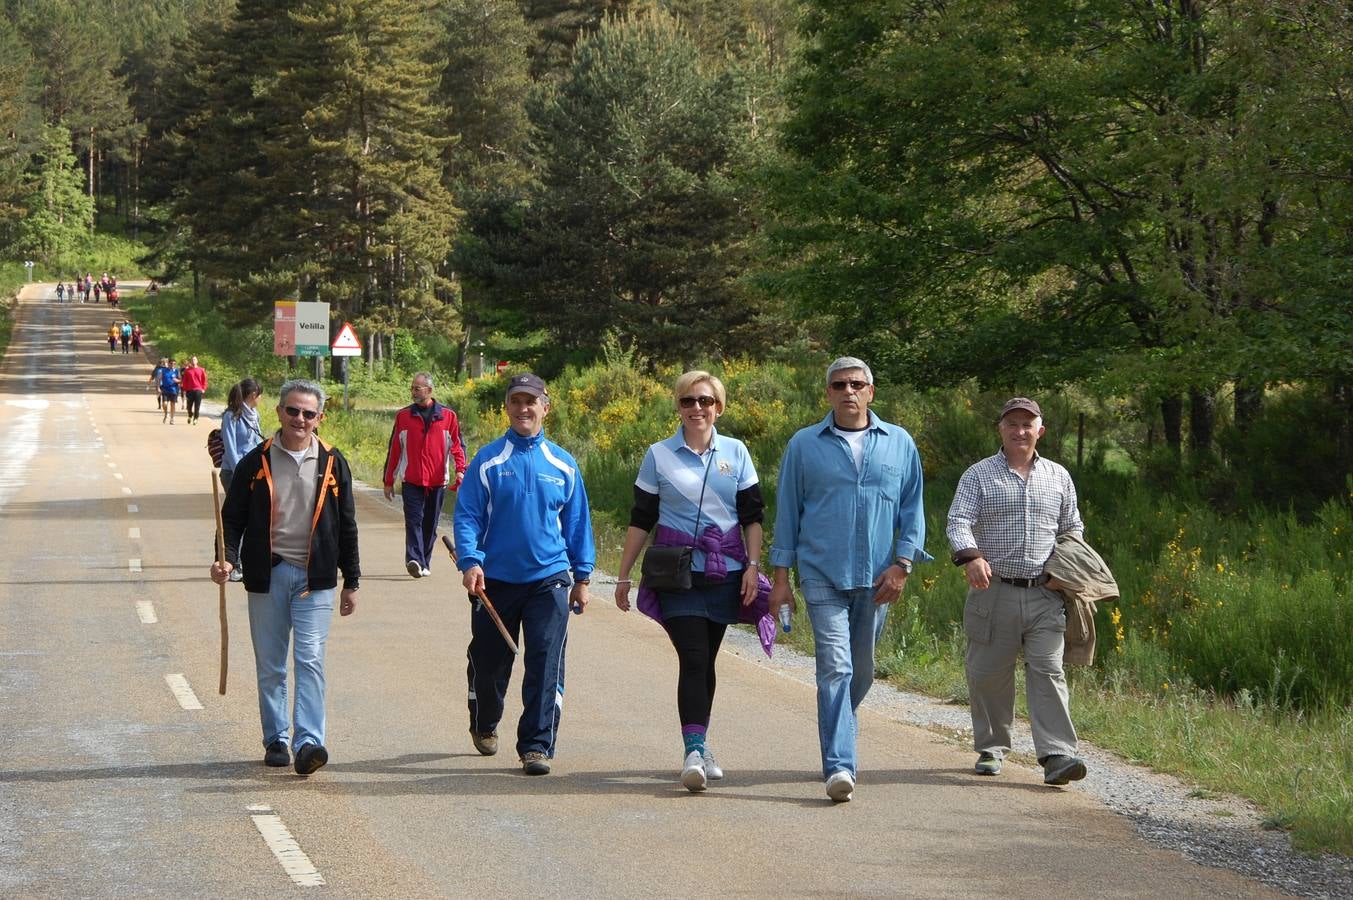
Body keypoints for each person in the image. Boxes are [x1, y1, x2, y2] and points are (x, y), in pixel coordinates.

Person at [768, 356, 930, 803]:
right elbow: (788, 513)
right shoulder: (804, 444)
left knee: (862, 672)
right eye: (839, 385)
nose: (849, 392)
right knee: (835, 667)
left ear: (871, 391)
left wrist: (903, 565)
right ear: (828, 394)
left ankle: (839, 726)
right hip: (822, 574)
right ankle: (840, 765)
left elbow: (913, 511)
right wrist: (780, 578)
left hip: (878, 578)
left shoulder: (899, 443)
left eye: (857, 384)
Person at [612, 370, 770, 792]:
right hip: (676, 575)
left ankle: (701, 743)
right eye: (688, 401)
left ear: (718, 406)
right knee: (694, 657)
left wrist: (753, 565)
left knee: (707, 660)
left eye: (705, 401)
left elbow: (752, 517)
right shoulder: (658, 455)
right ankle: (694, 750)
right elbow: (641, 518)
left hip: (726, 573)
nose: (696, 408)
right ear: (678, 407)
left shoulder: (736, 452)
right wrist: (623, 576)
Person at [209, 379, 360, 775]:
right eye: (292, 410)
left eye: (308, 413)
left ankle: (309, 741)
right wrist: (225, 559)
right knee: (272, 663)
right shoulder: (255, 462)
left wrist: (353, 581)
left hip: (316, 581)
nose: (299, 419)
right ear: (279, 412)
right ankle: (276, 738)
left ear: (319, 419)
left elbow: (347, 526)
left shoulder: (332, 461)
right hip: (268, 575)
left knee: (309, 659)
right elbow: (232, 520)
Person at [453, 373, 594, 776]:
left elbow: (578, 524)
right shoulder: (489, 460)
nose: (523, 408)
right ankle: (484, 720)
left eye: (531, 401)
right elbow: (467, 516)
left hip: (549, 580)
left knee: (546, 662)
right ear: (507, 407)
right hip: (493, 582)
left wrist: (582, 578)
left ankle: (536, 746)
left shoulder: (563, 464)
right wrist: (470, 561)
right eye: (516, 401)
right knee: (491, 663)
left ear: (545, 407)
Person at [946, 397, 1088, 787]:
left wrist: (1065, 570)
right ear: (1001, 429)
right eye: (1013, 424)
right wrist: (971, 557)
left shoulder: (1058, 476)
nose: (1020, 430)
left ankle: (1057, 754)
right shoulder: (978, 476)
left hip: (1046, 595)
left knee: (1049, 671)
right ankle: (992, 748)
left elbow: (1072, 528)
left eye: (1028, 424)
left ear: (1040, 430)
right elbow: (958, 520)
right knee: (988, 675)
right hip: (993, 591)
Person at [382, 372, 467, 578]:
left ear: (429, 390)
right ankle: (414, 560)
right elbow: (395, 449)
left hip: (438, 481)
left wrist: (461, 471)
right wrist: (388, 480)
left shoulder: (448, 416)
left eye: (417, 388)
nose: (413, 392)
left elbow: (458, 447)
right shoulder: (403, 416)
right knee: (413, 520)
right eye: (412, 388)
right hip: (411, 479)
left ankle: (424, 562)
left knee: (430, 523)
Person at [220, 377, 265, 582]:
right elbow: (230, 448)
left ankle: (244, 561)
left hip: (252, 472)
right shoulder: (231, 416)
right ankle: (232, 563)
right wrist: (241, 472)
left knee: (251, 517)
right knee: (236, 516)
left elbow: (256, 442)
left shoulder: (254, 415)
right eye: (260, 395)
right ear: (253, 395)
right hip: (234, 473)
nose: (261, 399)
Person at [181, 356, 208, 424]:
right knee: (189, 406)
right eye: (192, 360)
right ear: (190, 361)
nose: (193, 361)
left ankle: (196, 418)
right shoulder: (187, 370)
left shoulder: (201, 370)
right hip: (189, 390)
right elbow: (184, 381)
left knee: (197, 406)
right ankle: (190, 415)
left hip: (198, 390)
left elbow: (204, 380)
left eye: (194, 360)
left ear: (197, 361)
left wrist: (203, 389)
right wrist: (184, 389)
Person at [159, 358, 180, 424]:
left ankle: (172, 418)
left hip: (174, 389)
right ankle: (166, 414)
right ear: (168, 364)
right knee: (164, 404)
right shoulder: (163, 370)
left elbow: (180, 380)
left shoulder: (176, 371)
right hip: (165, 389)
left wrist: (177, 381)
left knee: (172, 405)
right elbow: (159, 379)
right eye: (171, 363)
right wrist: (158, 387)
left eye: (174, 364)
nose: (173, 365)